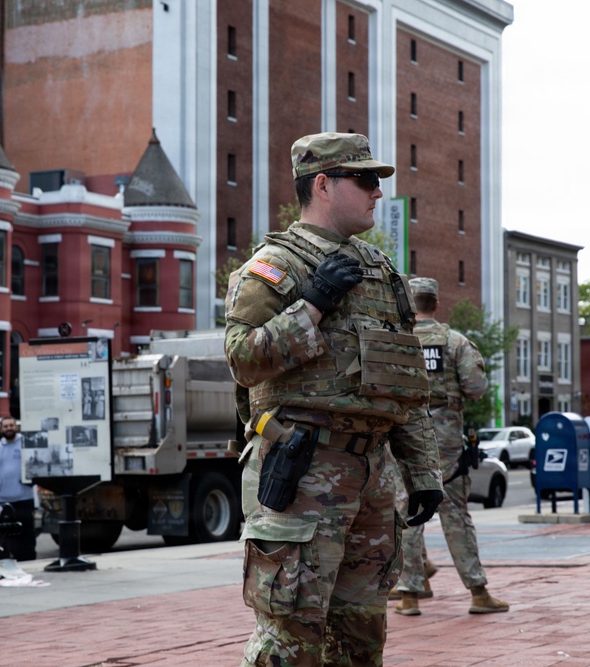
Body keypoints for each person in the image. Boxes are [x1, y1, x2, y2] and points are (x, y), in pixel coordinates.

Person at [225, 132, 443, 666]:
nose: (377, 192)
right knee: (290, 638)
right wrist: (313, 303)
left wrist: (423, 472)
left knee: (361, 637)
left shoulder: (381, 270)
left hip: (372, 472)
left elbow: (403, 382)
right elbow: (242, 360)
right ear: (322, 185)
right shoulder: (276, 265)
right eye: (365, 180)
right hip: (303, 466)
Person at [392, 277, 509, 616]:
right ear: (436, 304)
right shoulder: (456, 342)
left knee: (408, 515)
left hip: (404, 443)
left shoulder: (396, 342)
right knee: (456, 516)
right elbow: (476, 388)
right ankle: (478, 592)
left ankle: (409, 596)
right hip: (447, 447)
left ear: (410, 305)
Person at [0, 416, 37, 561]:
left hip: (25, 498)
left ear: (16, 427)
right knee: (8, 536)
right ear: (1, 429)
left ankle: (29, 561)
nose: (9, 428)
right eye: (6, 426)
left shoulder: (25, 444)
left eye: (11, 425)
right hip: (6, 500)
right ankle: (13, 562)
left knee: (27, 534)